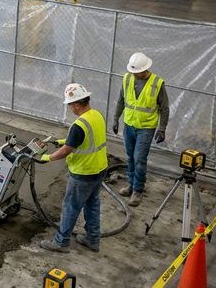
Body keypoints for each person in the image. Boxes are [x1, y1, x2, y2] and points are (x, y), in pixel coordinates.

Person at [39, 83, 108, 254]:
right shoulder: (97, 115)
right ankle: (93, 239)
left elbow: (67, 150)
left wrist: (47, 157)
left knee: (71, 206)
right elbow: (84, 139)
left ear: (76, 104)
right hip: (100, 169)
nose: (69, 108)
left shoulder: (79, 125)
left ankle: (61, 242)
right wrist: (62, 140)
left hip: (83, 173)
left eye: (70, 104)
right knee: (92, 204)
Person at [113, 52, 168, 207]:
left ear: (145, 70)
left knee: (139, 159)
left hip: (146, 128)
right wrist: (116, 118)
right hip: (129, 125)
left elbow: (164, 108)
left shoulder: (157, 83)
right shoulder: (127, 78)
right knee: (130, 157)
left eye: (137, 72)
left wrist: (162, 128)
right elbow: (121, 100)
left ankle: (138, 189)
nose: (135, 74)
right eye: (133, 72)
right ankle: (131, 185)